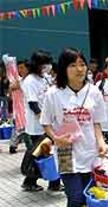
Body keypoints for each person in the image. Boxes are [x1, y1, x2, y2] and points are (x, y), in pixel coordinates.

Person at [40, 48, 106, 207]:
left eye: (82, 64)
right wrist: (55, 138)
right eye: (72, 65)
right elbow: (46, 122)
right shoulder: (53, 94)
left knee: (88, 196)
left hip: (90, 153)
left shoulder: (94, 91)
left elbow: (96, 123)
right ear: (63, 69)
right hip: (67, 153)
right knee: (75, 197)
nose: (79, 69)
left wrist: (101, 142)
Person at [21, 50, 62, 192]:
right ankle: (30, 181)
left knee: (50, 154)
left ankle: (54, 183)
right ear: (37, 64)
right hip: (37, 126)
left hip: (49, 123)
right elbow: (33, 105)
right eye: (45, 63)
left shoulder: (44, 77)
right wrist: (45, 122)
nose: (48, 66)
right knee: (41, 155)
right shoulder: (30, 81)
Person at [9, 59, 31, 154]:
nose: (20, 70)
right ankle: (14, 145)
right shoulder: (20, 80)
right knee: (20, 129)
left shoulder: (31, 80)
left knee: (25, 130)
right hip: (21, 111)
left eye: (22, 67)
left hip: (30, 111)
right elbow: (11, 91)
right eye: (18, 68)